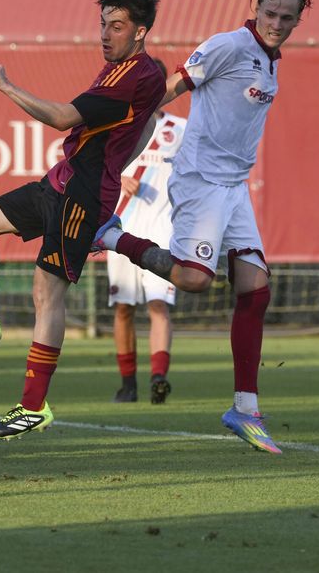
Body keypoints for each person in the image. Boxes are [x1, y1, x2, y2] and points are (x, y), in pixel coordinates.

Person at [93, 0, 317, 454]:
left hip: (234, 187)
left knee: (255, 290)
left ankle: (244, 408)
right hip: (199, 180)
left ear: (297, 20)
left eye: (287, 17)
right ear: (256, 10)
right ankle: (109, 234)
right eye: (271, 14)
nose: (278, 23)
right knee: (194, 280)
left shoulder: (268, 60)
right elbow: (170, 89)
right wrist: (125, 135)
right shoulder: (229, 46)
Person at [0, 0, 166, 440]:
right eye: (102, 25)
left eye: (116, 27)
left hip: (81, 195)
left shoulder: (132, 74)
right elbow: (146, 125)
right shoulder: (123, 74)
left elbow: (62, 117)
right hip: (63, 179)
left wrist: (6, 85)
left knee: (46, 292)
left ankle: (33, 406)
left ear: (140, 33)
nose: (105, 35)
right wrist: (116, 167)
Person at [106, 58, 187, 404]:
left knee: (158, 304)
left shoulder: (180, 130)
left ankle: (158, 378)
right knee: (124, 307)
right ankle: (128, 385)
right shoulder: (117, 128)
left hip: (163, 231)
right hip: (122, 229)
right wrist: (116, 179)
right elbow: (97, 168)